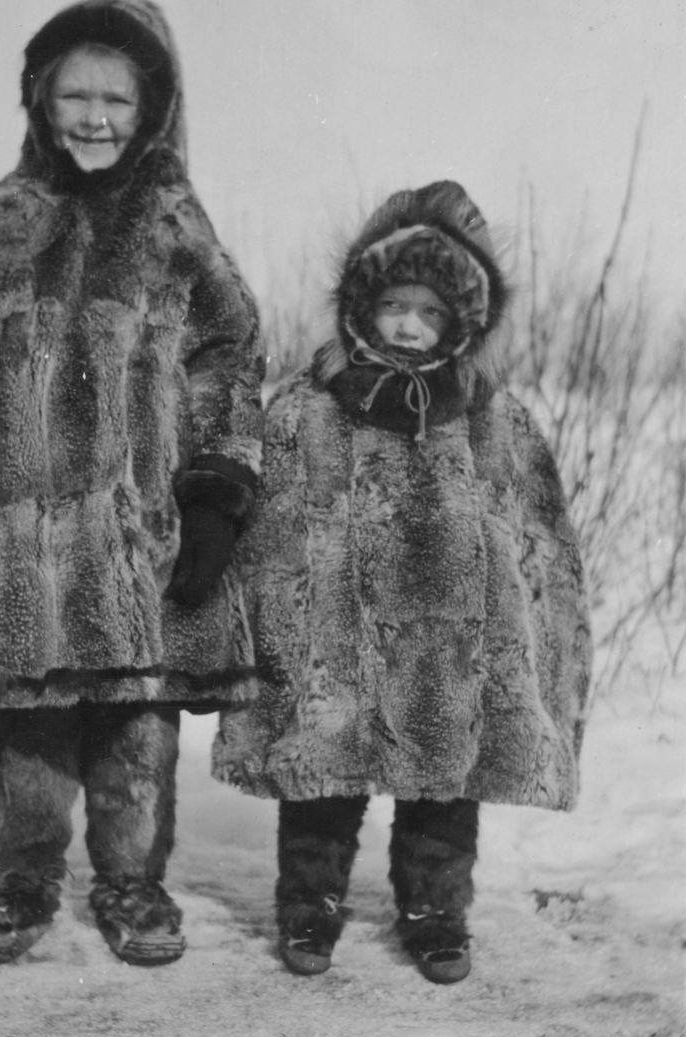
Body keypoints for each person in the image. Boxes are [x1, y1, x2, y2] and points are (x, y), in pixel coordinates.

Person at [0, 0, 264, 969]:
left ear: (152, 108)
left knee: (135, 725)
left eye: (117, 97)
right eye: (74, 95)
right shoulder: (0, 222)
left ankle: (133, 887)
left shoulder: (175, 224)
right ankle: (16, 882)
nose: (95, 116)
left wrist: (217, 493)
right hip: (23, 541)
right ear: (40, 101)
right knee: (27, 725)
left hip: (138, 539)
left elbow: (228, 357)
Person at [213, 181, 591, 983]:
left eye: (430, 311)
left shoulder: (494, 417)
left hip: (449, 655)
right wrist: (266, 621)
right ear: (360, 304)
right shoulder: (307, 409)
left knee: (443, 787)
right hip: (335, 645)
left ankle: (434, 912)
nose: (409, 325)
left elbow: (539, 542)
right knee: (320, 778)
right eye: (393, 305)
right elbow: (267, 528)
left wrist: (529, 654)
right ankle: (308, 908)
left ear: (463, 321)